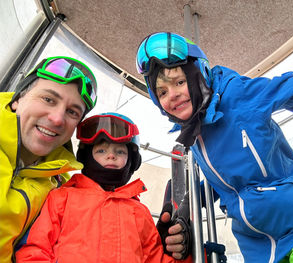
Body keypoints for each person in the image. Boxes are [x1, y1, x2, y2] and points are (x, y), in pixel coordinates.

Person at [136, 32, 293, 262]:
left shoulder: (239, 95)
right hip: (258, 249)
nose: (173, 95)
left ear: (200, 75)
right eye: (162, 92)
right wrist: (187, 208)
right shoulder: (194, 136)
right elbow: (226, 181)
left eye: (180, 82)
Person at [15, 112, 192, 262]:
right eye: (101, 150)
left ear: (131, 160)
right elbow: (35, 249)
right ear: (86, 156)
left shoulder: (139, 212)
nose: (111, 156)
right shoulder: (62, 197)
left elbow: (156, 259)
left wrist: (187, 252)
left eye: (120, 151)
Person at [0, 56, 97, 263]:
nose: (57, 118)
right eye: (48, 99)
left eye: (72, 112)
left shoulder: (61, 189)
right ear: (17, 99)